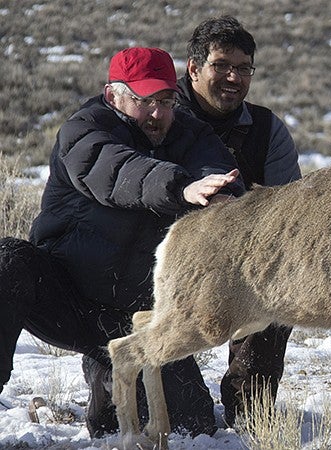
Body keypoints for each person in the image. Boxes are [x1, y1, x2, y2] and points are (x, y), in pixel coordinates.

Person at [0, 47, 245, 438]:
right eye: (144, 101)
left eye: (166, 101)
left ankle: (108, 377)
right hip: (67, 297)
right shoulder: (84, 130)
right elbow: (116, 171)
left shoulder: (190, 133)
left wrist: (220, 196)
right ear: (113, 96)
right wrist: (182, 188)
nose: (157, 113)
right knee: (7, 261)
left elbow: (218, 173)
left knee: (190, 428)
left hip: (138, 318)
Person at [176, 15, 302, 427]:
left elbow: (289, 214)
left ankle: (249, 407)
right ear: (194, 68)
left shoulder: (267, 129)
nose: (233, 77)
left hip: (241, 265)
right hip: (157, 264)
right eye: (221, 66)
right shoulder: (159, 115)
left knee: (281, 285)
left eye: (243, 68)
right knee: (186, 419)